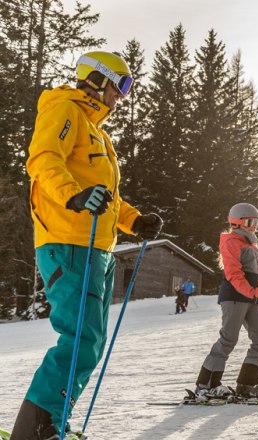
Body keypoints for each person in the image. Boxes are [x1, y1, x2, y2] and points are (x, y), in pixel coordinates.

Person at [11, 51, 164, 439]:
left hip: (97, 248)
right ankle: (35, 428)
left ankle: (49, 422)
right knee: (82, 340)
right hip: (70, 242)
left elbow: (106, 195)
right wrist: (73, 196)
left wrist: (135, 220)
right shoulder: (66, 110)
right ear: (97, 79)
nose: (123, 96)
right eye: (122, 85)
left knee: (88, 343)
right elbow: (43, 160)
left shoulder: (98, 133)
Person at [194, 203, 258, 401]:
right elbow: (234, 275)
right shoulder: (231, 242)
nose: (253, 226)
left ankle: (248, 383)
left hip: (251, 296)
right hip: (235, 296)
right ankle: (206, 385)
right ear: (236, 222)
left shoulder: (251, 245)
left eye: (256, 223)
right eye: (249, 222)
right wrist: (253, 291)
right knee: (228, 339)